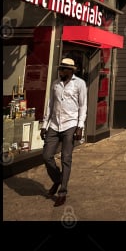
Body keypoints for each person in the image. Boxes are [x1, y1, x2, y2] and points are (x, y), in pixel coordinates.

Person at [40, 57, 88, 207]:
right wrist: (44, 124)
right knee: (47, 156)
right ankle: (58, 180)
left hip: (70, 124)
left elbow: (83, 106)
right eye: (59, 69)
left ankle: (62, 191)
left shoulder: (80, 84)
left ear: (70, 70)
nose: (60, 71)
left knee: (66, 158)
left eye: (63, 69)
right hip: (54, 124)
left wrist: (80, 126)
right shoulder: (55, 84)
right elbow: (50, 105)